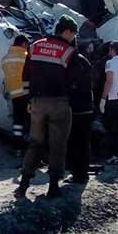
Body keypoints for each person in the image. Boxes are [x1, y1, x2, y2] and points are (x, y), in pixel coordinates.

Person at [14, 15, 82, 200]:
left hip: (37, 102)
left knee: (35, 142)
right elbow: (75, 79)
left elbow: (25, 75)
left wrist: (29, 99)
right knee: (57, 144)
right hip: (59, 102)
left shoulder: (35, 45)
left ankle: (23, 185)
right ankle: (53, 187)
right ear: (66, 31)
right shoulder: (68, 51)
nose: (73, 36)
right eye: (73, 33)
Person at [65, 48, 93, 184]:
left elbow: (71, 84)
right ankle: (83, 173)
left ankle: (78, 174)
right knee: (84, 142)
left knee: (75, 141)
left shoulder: (73, 62)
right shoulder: (84, 61)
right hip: (87, 107)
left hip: (77, 108)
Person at [2, 35, 30, 154]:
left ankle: (17, 145)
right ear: (24, 44)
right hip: (26, 92)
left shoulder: (5, 58)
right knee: (30, 120)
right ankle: (29, 147)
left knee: (17, 120)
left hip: (14, 93)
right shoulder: (26, 57)